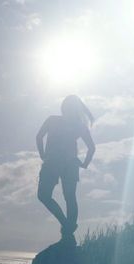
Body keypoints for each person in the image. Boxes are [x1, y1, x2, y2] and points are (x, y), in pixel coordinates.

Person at [36, 95, 95, 244]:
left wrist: (43, 154)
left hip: (55, 162)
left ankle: (67, 227)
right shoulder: (76, 125)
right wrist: (85, 163)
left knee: (47, 196)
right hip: (66, 164)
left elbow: (39, 137)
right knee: (68, 197)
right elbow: (91, 148)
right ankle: (68, 226)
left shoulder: (54, 120)